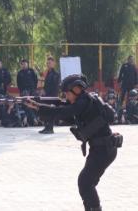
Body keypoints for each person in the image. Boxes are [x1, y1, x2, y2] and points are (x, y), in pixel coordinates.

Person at [24, 74, 121, 211]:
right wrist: (40, 103)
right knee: (86, 183)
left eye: (67, 93)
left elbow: (63, 112)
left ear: (76, 89)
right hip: (101, 149)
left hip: (104, 149)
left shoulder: (83, 102)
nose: (66, 97)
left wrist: (38, 107)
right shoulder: (84, 101)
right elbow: (63, 109)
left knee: (85, 183)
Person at [40, 57, 61, 134]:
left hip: (52, 96)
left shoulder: (56, 73)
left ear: (53, 64)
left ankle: (50, 128)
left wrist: (46, 91)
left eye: (50, 63)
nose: (48, 64)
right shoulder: (48, 73)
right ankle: (46, 127)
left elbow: (54, 86)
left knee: (51, 111)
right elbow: (46, 84)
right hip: (46, 96)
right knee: (46, 111)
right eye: (47, 63)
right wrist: (43, 90)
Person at [17, 59, 38, 126]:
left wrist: (34, 89)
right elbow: (18, 83)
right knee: (26, 104)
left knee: (33, 104)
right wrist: (22, 91)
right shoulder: (20, 73)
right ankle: (33, 118)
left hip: (32, 90)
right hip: (24, 91)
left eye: (25, 64)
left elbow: (36, 80)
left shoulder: (31, 71)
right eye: (22, 64)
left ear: (27, 64)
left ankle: (32, 118)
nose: (24, 65)